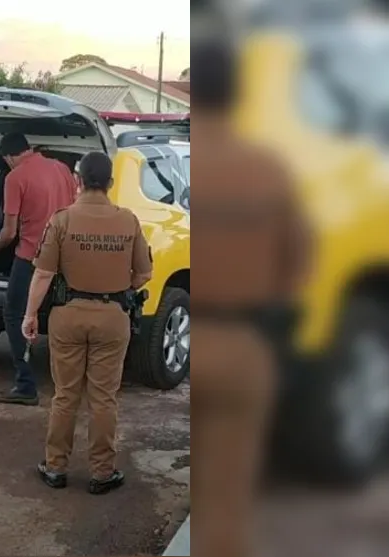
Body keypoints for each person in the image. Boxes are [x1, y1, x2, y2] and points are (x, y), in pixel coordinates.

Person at [192, 37, 312, 557]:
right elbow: (299, 267)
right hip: (245, 342)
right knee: (230, 495)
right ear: (239, 95)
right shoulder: (269, 168)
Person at [21, 151, 152, 494]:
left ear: (78, 180)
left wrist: (30, 314)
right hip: (112, 318)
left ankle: (55, 468)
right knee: (104, 398)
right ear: (110, 183)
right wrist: (119, 287)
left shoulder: (62, 220)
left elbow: (44, 273)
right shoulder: (128, 221)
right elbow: (144, 273)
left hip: (69, 315)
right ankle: (102, 472)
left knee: (65, 395)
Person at [0, 133, 77, 406]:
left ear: (8, 157)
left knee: (15, 314)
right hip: (63, 257)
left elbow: (9, 231)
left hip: (30, 259)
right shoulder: (62, 169)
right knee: (63, 318)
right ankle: (69, 384)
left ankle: (25, 384)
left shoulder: (15, 177)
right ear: (29, 149)